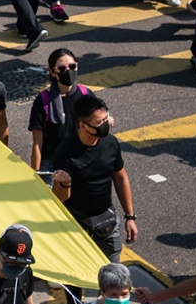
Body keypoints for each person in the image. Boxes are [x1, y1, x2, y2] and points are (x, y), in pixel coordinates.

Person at [49, 93, 136, 260]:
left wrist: (130, 216)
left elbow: (121, 178)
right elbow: (58, 199)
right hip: (75, 226)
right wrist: (66, 183)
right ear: (82, 125)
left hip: (106, 223)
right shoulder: (66, 152)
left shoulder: (110, 143)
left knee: (113, 275)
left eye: (106, 119)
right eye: (99, 123)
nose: (105, 125)